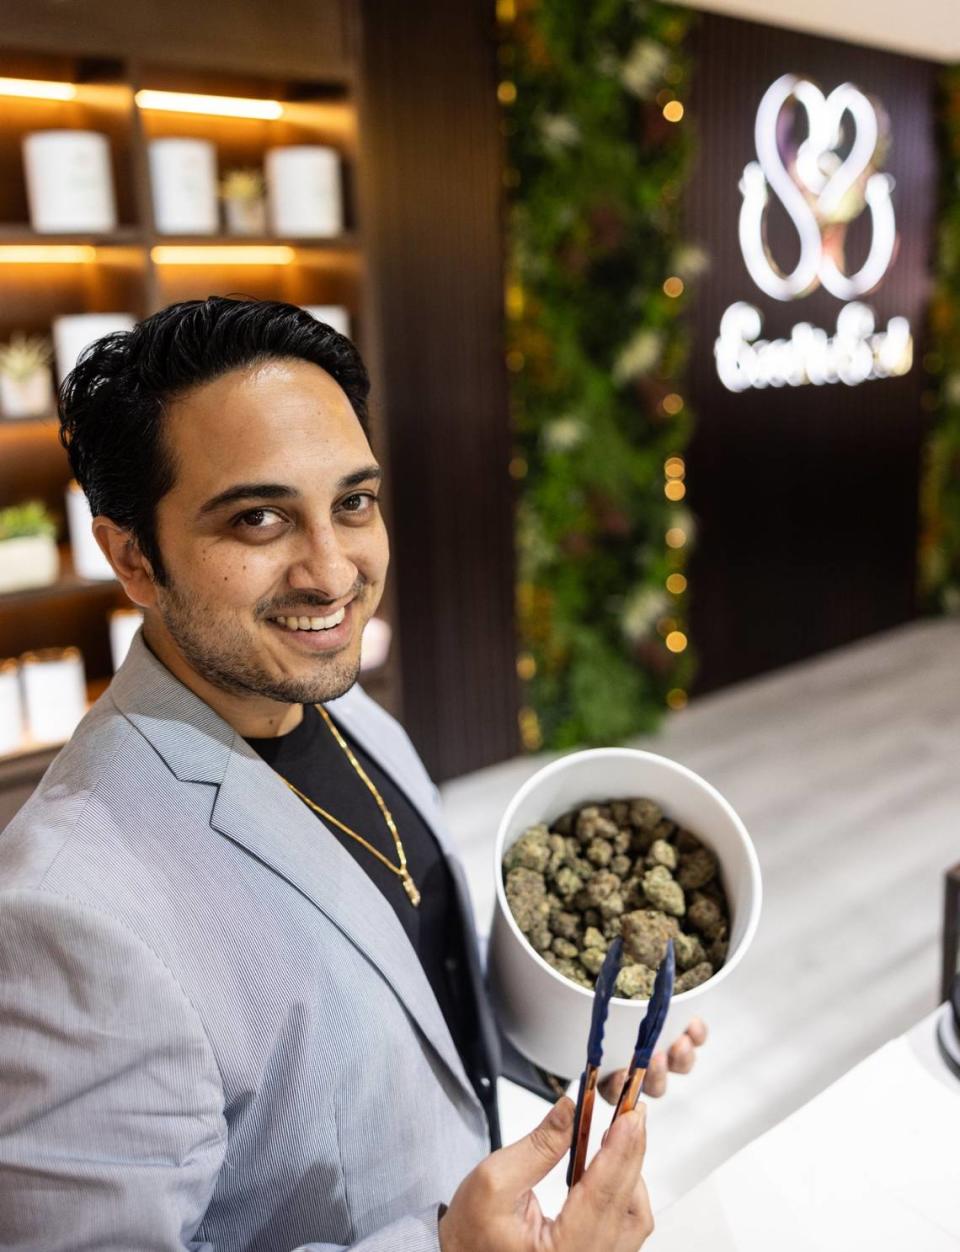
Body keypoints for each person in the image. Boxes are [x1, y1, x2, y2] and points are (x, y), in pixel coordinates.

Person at [0, 298, 706, 1251]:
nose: (333, 573)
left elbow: (408, 992)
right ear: (132, 555)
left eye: (354, 503)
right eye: (258, 519)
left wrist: (580, 1036)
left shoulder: (345, 708)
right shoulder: (69, 913)